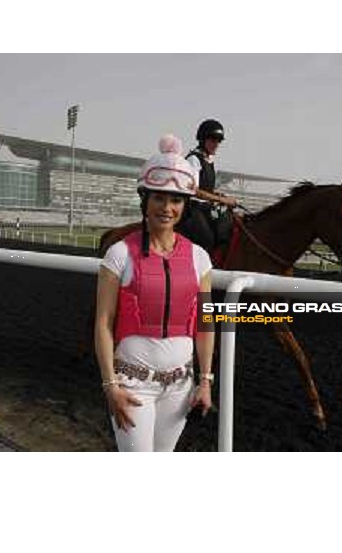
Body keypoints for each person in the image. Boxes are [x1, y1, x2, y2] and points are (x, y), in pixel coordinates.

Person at [94, 134, 215, 452]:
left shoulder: (200, 257)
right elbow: (103, 324)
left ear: (184, 205)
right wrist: (111, 386)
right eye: (158, 198)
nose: (167, 207)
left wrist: (206, 381)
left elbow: (206, 325)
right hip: (132, 385)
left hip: (180, 387)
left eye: (175, 200)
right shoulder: (119, 254)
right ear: (145, 200)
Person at [180, 119, 238, 251]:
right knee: (207, 240)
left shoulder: (209, 160)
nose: (216, 144)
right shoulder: (193, 159)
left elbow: (205, 188)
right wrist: (221, 199)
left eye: (218, 141)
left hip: (204, 206)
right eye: (213, 140)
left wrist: (218, 195)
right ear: (202, 140)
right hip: (192, 208)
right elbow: (193, 190)